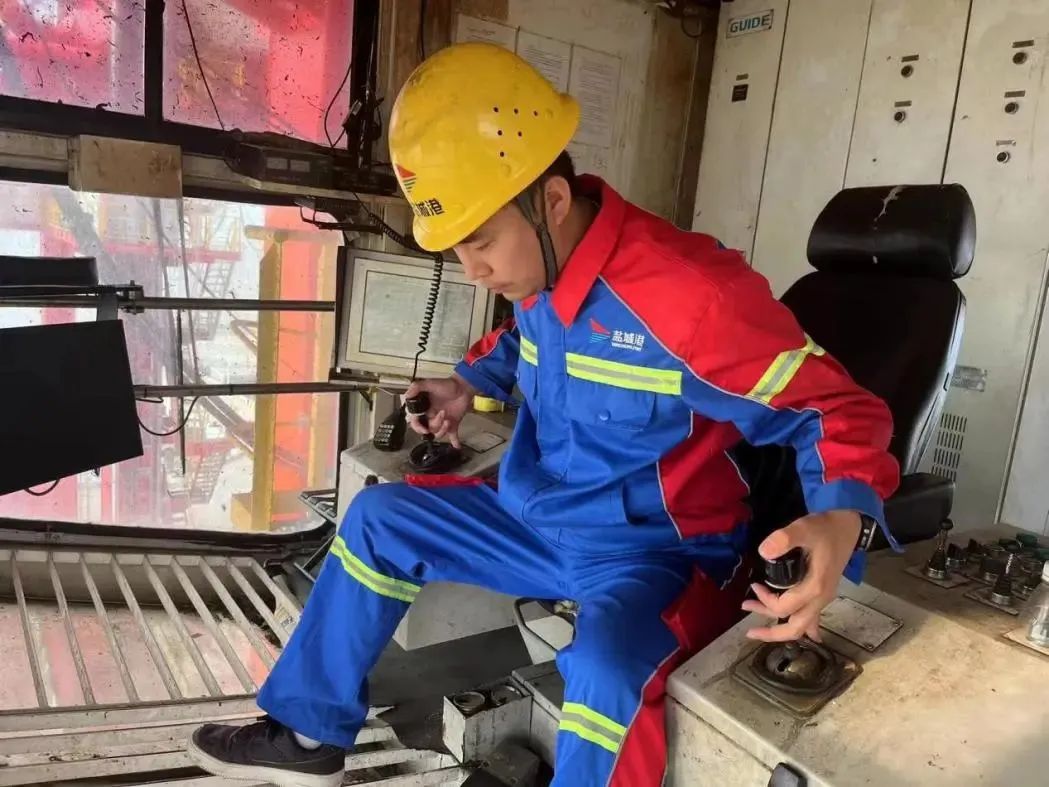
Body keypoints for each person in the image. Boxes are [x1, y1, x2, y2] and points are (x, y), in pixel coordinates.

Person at [188, 42, 900, 787]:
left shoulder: (694, 298)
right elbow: (530, 339)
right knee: (378, 519)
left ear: (551, 201)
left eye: (479, 242)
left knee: (605, 671)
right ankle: (307, 736)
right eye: (458, 249)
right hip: (536, 518)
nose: (473, 271)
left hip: (653, 554)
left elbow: (833, 407)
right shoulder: (541, 271)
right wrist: (464, 382)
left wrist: (841, 516)